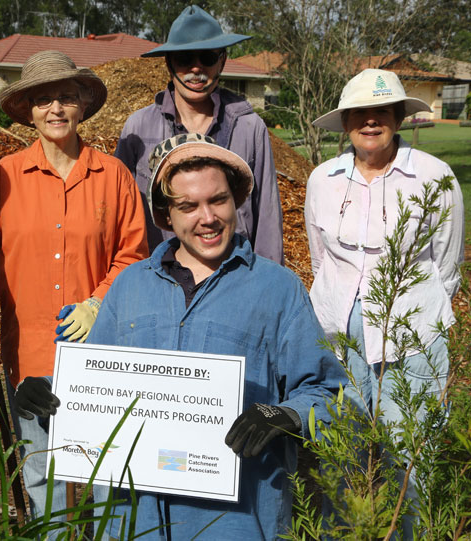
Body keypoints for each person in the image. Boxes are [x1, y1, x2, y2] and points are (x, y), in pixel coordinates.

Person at [83, 133, 346, 540]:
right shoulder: (130, 286)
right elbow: (96, 383)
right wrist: (50, 391)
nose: (207, 217)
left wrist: (284, 413)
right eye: (188, 206)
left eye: (218, 200)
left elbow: (330, 392)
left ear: (236, 202)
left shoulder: (277, 289)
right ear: (166, 215)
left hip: (236, 519)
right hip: (136, 518)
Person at [0, 50, 148, 518]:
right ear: (28, 111)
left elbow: (134, 255)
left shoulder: (113, 176)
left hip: (100, 350)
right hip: (29, 350)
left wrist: (97, 302)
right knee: (42, 470)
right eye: (44, 99)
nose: (56, 109)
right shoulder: (6, 176)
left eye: (66, 97)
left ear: (83, 104)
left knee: (107, 471)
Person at [306, 68, 465, 535]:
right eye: (360, 113)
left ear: (398, 117)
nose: (371, 121)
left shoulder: (433, 177)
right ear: (346, 121)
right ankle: (349, 530)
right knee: (344, 447)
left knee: (410, 453)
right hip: (340, 332)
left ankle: (409, 531)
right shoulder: (323, 179)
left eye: (382, 112)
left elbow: (446, 264)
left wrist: (418, 314)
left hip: (412, 335)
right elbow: (321, 260)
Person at [114, 5, 284, 264]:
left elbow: (267, 217)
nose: (196, 69)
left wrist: (270, 285)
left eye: (207, 57)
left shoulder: (249, 127)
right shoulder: (139, 128)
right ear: (169, 63)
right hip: (161, 273)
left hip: (233, 272)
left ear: (222, 60)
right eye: (184, 59)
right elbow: (119, 211)